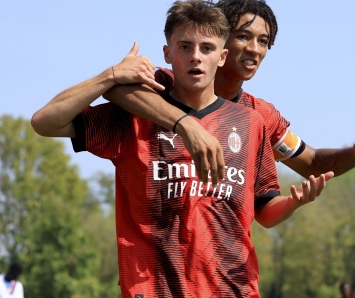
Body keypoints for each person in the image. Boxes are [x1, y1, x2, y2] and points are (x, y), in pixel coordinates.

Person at [31, 0, 329, 296]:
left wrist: (293, 203)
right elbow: (44, 122)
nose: (195, 57)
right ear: (167, 54)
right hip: (153, 289)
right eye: (185, 47)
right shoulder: (134, 118)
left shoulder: (251, 122)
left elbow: (264, 207)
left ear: (222, 56)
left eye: (207, 48)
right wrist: (110, 75)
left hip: (233, 290)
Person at [102, 0, 355, 189]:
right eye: (244, 36)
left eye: (264, 41)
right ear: (219, 39)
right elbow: (117, 87)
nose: (255, 49)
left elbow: (312, 163)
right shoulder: (167, 83)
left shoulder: (260, 115)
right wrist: (184, 122)